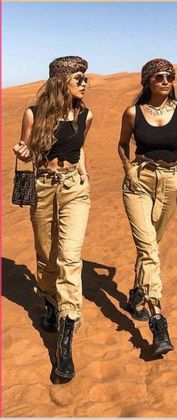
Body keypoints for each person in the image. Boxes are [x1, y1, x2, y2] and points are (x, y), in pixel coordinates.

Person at [118, 58, 177, 357]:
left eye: (169, 76)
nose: (165, 80)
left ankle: (135, 294)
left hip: (170, 182)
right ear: (148, 82)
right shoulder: (133, 112)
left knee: (151, 244)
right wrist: (128, 168)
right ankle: (158, 321)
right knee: (149, 248)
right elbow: (122, 144)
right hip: (139, 182)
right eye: (158, 77)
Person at [13, 56, 93, 379]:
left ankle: (65, 339)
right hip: (44, 187)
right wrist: (24, 154)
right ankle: (48, 301)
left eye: (86, 78)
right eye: (80, 78)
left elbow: (80, 148)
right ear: (62, 82)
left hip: (74, 189)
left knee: (69, 259)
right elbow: (29, 153)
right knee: (46, 257)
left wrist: (84, 172)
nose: (85, 83)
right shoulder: (33, 114)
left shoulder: (86, 114)